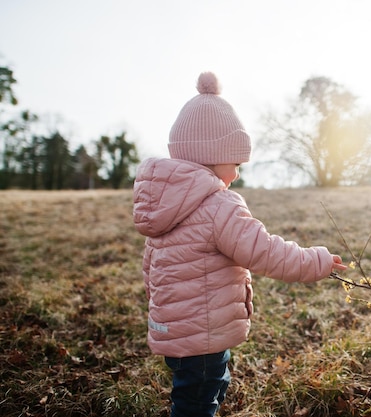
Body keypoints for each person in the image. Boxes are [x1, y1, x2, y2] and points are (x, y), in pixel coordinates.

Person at [132, 71, 346, 417]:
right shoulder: (218, 205)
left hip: (176, 331)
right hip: (203, 334)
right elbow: (266, 252)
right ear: (213, 158)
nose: (238, 173)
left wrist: (159, 309)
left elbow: (150, 268)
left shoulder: (163, 203)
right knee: (197, 403)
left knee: (200, 391)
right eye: (236, 163)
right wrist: (315, 261)